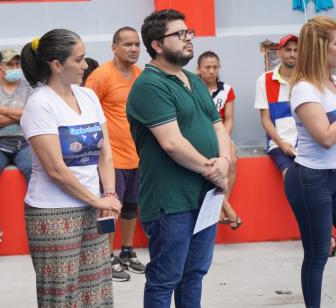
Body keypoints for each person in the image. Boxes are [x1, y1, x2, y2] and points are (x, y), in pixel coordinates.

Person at [127, 9, 231, 307]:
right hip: (170, 201)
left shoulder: (192, 79)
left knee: (194, 273)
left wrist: (223, 161)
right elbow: (172, 143)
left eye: (189, 33)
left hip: (204, 196)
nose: (188, 39)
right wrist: (213, 171)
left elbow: (217, 125)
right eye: (180, 34)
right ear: (157, 45)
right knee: (165, 278)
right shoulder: (149, 85)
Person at [20, 29, 122, 307]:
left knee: (97, 288)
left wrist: (109, 195)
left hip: (94, 208)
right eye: (79, 60)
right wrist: (97, 199)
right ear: (56, 65)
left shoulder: (88, 96)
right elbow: (56, 169)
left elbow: (106, 154)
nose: (85, 65)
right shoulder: (40, 104)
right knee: (62, 294)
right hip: (53, 214)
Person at [284, 15, 336, 308]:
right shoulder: (304, 89)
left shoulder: (334, 81)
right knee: (318, 254)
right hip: (311, 180)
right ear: (320, 48)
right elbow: (327, 137)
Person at [85, 26, 145, 282]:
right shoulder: (100, 76)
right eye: (127, 44)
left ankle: (127, 252)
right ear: (114, 47)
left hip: (137, 155)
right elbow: (86, 113)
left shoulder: (141, 75)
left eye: (136, 45)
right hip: (111, 159)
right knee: (110, 210)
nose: (133, 49)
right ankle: (105, 256)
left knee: (132, 206)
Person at [0, 48, 33, 243]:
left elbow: (31, 115)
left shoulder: (29, 88)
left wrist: (1, 109)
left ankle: (34, 222)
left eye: (16, 64)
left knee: (33, 169)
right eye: (9, 64)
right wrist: (18, 114)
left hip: (24, 143)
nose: (14, 68)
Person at [197, 51, 242, 230]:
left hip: (221, 135)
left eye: (215, 67)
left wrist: (222, 137)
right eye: (207, 67)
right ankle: (225, 208)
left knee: (232, 160)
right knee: (206, 166)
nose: (211, 71)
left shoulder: (227, 90)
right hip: (199, 137)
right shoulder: (192, 88)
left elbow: (229, 119)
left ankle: (223, 205)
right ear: (198, 69)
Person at [254, 34, 299, 178]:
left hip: (306, 144)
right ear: (279, 53)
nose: (292, 54)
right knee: (290, 177)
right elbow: (265, 119)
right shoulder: (264, 80)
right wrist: (282, 144)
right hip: (278, 145)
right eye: (288, 50)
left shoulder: (307, 79)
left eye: (296, 50)